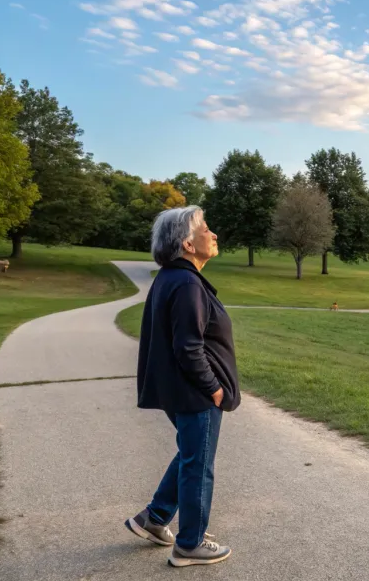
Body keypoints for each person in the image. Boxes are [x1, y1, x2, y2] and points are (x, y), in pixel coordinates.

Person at [124, 206, 241, 568]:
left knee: (191, 454)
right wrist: (214, 389)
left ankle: (155, 518)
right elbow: (188, 347)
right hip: (196, 392)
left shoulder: (173, 277)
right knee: (198, 464)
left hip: (182, 390)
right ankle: (189, 544)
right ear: (188, 243)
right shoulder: (187, 283)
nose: (214, 234)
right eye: (206, 228)